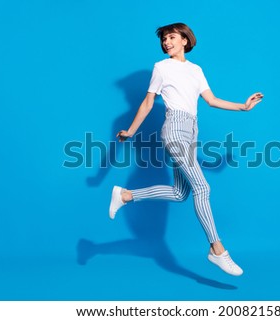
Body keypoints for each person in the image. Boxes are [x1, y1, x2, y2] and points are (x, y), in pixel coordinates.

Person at [109, 22, 263, 276]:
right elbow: (148, 103)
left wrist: (243, 107)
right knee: (202, 188)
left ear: (184, 40)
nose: (166, 42)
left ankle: (126, 195)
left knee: (181, 193)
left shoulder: (196, 70)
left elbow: (211, 100)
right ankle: (217, 250)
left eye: (171, 37)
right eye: (164, 39)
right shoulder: (162, 68)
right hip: (174, 128)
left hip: (191, 131)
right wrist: (131, 131)